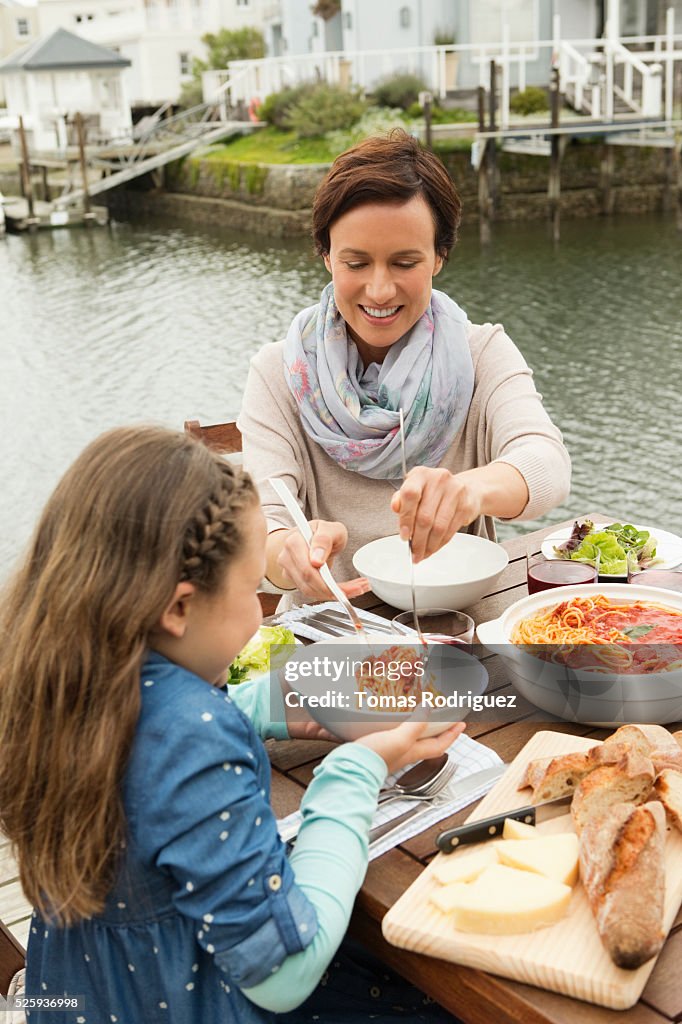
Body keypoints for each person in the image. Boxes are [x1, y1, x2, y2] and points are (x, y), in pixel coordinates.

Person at [0, 425, 465, 1024]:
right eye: (251, 591)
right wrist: (359, 769)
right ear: (177, 607)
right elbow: (284, 974)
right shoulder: (196, 740)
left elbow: (147, 744)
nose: (257, 615)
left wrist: (267, 706)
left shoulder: (59, 685)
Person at [238, 130, 571, 606]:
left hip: (468, 623)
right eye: (355, 263)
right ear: (326, 255)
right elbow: (264, 524)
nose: (378, 290)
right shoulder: (278, 373)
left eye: (404, 262)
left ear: (439, 256)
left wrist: (466, 491)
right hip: (334, 629)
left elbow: (547, 463)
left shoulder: (482, 352)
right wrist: (286, 555)